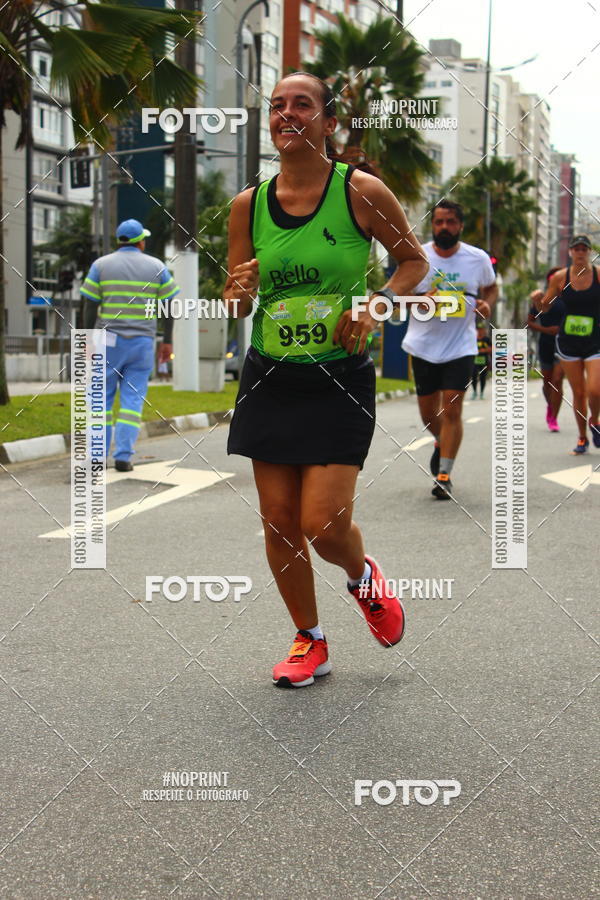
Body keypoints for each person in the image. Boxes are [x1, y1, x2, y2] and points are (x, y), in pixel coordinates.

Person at [224, 71, 428, 688]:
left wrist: (375, 305)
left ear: (328, 124)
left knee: (323, 524)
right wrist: (235, 291)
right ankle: (309, 639)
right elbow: (237, 301)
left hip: (339, 379)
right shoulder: (247, 204)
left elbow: (412, 261)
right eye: (277, 105)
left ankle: (363, 577)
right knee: (279, 522)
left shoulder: (360, 192)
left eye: (302, 105)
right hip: (269, 378)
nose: (287, 113)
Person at [402, 200, 498, 499]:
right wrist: (419, 300)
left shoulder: (477, 258)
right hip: (423, 345)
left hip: (461, 345)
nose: (445, 227)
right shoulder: (417, 256)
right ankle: (440, 440)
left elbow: (491, 288)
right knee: (429, 414)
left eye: (451, 222)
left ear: (460, 225)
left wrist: (486, 304)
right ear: (433, 225)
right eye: (440, 222)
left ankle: (444, 474)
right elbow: (398, 293)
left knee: (453, 407)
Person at [81, 219, 178, 471]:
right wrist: (167, 340)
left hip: (107, 341)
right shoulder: (156, 266)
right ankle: (123, 456)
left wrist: (88, 337)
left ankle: (97, 457)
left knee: (100, 399)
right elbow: (169, 306)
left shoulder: (101, 265)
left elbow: (90, 304)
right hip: (142, 342)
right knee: (132, 402)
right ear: (140, 242)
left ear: (119, 240)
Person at [541, 235, 600, 454]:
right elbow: (545, 307)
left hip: (595, 340)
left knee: (595, 390)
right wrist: (539, 299)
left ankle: (595, 420)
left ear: (590, 252)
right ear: (570, 252)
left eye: (585, 249)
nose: (581, 252)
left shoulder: (598, 274)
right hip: (568, 342)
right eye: (577, 249)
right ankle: (582, 437)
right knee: (579, 393)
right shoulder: (559, 277)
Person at [527, 267, 564, 432]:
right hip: (545, 344)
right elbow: (530, 322)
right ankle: (550, 406)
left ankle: (554, 417)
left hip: (564, 343)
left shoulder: (569, 298)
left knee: (557, 380)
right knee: (547, 382)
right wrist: (546, 330)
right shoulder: (541, 300)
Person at [471, 322, 492, 400]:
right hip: (474, 360)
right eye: (478, 329)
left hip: (484, 360)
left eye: (481, 329)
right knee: (473, 376)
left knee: (483, 377)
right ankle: (474, 392)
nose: (480, 331)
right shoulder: (473, 339)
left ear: (483, 330)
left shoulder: (486, 339)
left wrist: (483, 350)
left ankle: (482, 392)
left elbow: (492, 348)